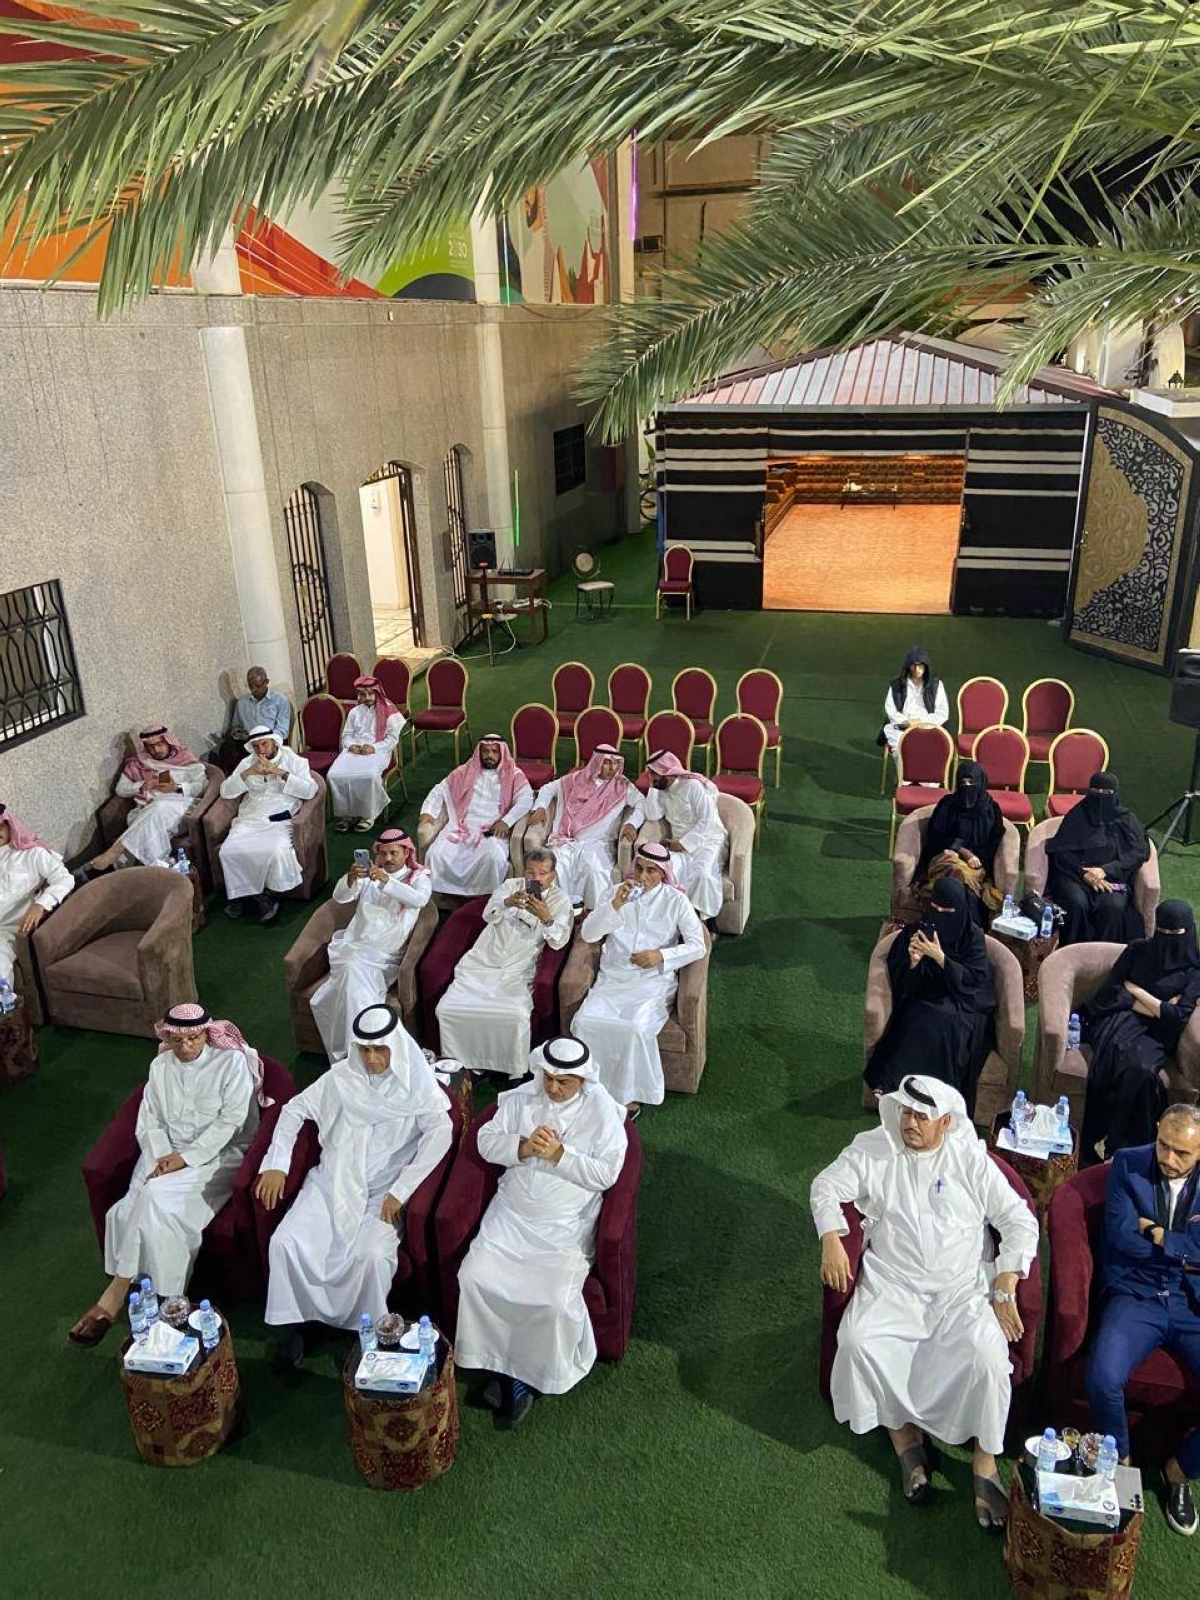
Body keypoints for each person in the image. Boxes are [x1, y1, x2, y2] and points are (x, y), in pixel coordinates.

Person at [812, 1074, 1038, 1531]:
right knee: (858, 1341)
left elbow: (1019, 1219)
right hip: (892, 1285)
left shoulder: (969, 1160)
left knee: (988, 1359)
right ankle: (904, 1438)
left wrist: (1005, 1281)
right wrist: (832, 1236)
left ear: (946, 1122)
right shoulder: (876, 1148)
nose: (909, 1123)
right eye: (906, 1112)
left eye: (921, 1116)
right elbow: (826, 1185)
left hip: (961, 1291)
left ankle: (984, 1464)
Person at [255, 1004, 452, 1368]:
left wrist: (401, 1190)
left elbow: (441, 1133)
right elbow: (294, 1110)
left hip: (382, 1193)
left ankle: (372, 1335)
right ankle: (295, 1327)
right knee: (286, 1243)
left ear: (396, 1047)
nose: (372, 1058)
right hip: (331, 1182)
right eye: (365, 1049)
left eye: (380, 1049)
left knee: (372, 1257)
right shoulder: (341, 1078)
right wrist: (277, 1164)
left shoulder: (417, 1085)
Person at [455, 1036, 628, 1425]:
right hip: (511, 1217)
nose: (552, 1087)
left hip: (564, 1226)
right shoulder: (521, 1100)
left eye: (563, 1081)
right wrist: (524, 1147)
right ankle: (498, 1365)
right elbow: (485, 1142)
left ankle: (524, 1379)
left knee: (551, 1301)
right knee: (475, 1277)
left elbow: (607, 1173)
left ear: (583, 1080)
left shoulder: (603, 1113)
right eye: (548, 1077)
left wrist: (560, 1155)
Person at [67, 1003, 263, 1346]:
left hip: (217, 1155)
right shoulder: (160, 1067)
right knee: (133, 1211)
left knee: (154, 1197)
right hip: (163, 1154)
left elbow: (230, 1123)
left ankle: (116, 1294)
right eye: (178, 1040)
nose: (186, 1047)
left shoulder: (230, 1063)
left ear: (207, 1034)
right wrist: (163, 1157)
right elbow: (150, 1120)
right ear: (167, 1038)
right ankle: (170, 1302)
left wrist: (185, 1158)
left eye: (194, 1038)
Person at [1084, 1105, 1200, 1536]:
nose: (1168, 1158)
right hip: (1136, 1294)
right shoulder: (1128, 1162)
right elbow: (1119, 1237)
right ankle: (1121, 1463)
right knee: (1102, 1377)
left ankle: (1179, 1471)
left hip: (1191, 1302)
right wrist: (1186, 1250)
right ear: (1156, 1131)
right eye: (1163, 1145)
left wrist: (1156, 1233)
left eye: (1181, 1153)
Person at [573, 842, 706, 1115]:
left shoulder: (676, 900)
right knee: (585, 1022)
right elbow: (588, 934)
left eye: (651, 871)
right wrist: (615, 905)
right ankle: (589, 1091)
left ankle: (626, 1098)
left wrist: (661, 956)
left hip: (651, 983)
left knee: (633, 1028)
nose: (643, 876)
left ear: (663, 873)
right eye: (640, 868)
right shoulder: (615, 893)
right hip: (612, 980)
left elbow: (698, 946)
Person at [864, 877, 996, 1117]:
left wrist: (940, 957)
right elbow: (903, 985)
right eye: (935, 909)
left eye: (947, 912)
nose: (940, 917)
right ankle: (897, 1087)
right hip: (925, 997)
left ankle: (937, 1098)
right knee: (917, 1017)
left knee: (943, 1022)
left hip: (964, 1003)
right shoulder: (916, 932)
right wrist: (914, 963)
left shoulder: (972, 937)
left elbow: (974, 982)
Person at [436, 847, 572, 1078]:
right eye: (531, 872)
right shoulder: (510, 886)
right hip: (483, 961)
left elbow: (559, 941)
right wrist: (508, 902)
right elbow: (488, 915)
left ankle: (512, 1070)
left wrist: (546, 917)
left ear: (553, 874)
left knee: (516, 1014)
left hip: (517, 967)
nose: (536, 879)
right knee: (448, 1009)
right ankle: (466, 1067)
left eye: (543, 873)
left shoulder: (560, 900)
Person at [1081, 902, 1200, 1162]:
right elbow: (1113, 993)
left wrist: (1136, 990)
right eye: (1163, 932)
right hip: (1118, 1020)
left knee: (1143, 1073)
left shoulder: (1194, 971)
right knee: (1122, 1058)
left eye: (1175, 934)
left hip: (1155, 1035)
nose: (1168, 939)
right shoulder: (1136, 950)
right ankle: (1107, 1146)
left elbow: (1177, 1017)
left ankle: (1122, 1147)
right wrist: (1161, 1006)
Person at [309, 828, 432, 1059]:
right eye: (383, 853)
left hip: (386, 953)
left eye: (394, 853)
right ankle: (363, 1047)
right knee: (353, 975)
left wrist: (387, 882)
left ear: (407, 852)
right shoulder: (369, 875)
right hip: (355, 945)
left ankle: (352, 1053)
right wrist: (351, 878)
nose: (388, 859)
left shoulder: (418, 878)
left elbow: (420, 900)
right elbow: (341, 897)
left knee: (351, 976)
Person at [218, 726, 319, 925]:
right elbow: (226, 791)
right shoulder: (247, 763)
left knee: (275, 851)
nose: (261, 750)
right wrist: (248, 773)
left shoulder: (295, 761)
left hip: (279, 815)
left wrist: (279, 772)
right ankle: (257, 898)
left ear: (274, 742)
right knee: (228, 851)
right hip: (251, 817)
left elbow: (310, 791)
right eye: (255, 746)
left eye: (264, 744)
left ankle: (263, 896)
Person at [525, 743, 643, 910]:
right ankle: (551, 912)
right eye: (607, 762)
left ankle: (594, 915)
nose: (612, 768)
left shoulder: (622, 786)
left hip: (597, 844)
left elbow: (642, 803)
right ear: (596, 762)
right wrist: (541, 807)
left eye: (615, 763)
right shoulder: (574, 779)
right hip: (565, 840)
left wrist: (632, 823)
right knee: (553, 867)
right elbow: (548, 788)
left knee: (595, 871)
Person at [420, 734, 533, 897]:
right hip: (462, 825)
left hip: (492, 827)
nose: (489, 755)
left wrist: (506, 822)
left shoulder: (514, 774)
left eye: (494, 751)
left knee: (493, 857)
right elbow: (439, 789)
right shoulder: (464, 771)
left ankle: (487, 898)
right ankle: (446, 896)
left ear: (502, 753)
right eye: (485, 751)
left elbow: (526, 799)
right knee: (435, 854)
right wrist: (428, 812)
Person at [1044, 771, 1149, 946]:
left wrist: (1105, 870)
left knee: (1112, 907)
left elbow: (1138, 852)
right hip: (1075, 876)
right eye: (1096, 791)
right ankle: (1071, 950)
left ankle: (1104, 955)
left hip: (1111, 878)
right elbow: (1061, 852)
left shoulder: (1126, 820)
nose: (1100, 797)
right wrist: (1084, 874)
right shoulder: (1077, 816)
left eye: (1106, 793)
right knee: (1076, 904)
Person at [85, 725, 208, 874]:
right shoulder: (139, 763)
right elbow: (121, 789)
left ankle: (115, 852)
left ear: (168, 741)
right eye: (151, 746)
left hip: (183, 807)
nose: (156, 749)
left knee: (159, 807)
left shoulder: (184, 758)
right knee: (152, 821)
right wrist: (143, 784)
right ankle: (160, 870)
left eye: (160, 744)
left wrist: (177, 787)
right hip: (148, 810)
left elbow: (202, 786)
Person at [913, 760, 1006, 927]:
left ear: (981, 782)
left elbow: (993, 845)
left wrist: (973, 858)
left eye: (971, 782)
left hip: (976, 865)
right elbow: (935, 838)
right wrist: (961, 851)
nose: (967, 787)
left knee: (961, 877)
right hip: (944, 858)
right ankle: (971, 926)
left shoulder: (992, 810)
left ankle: (950, 925)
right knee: (955, 872)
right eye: (963, 782)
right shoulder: (947, 805)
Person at [641, 749, 727, 922]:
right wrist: (652, 787)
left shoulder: (692, 786)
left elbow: (707, 820)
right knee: (665, 872)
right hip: (678, 845)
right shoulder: (661, 789)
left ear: (669, 773)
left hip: (708, 841)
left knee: (702, 875)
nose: (652, 778)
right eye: (650, 774)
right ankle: (674, 918)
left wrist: (683, 843)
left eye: (655, 774)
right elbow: (652, 814)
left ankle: (706, 921)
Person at [0, 804, 73, 986]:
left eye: (0, 827)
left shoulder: (32, 854)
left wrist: (41, 904)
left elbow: (64, 879)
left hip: (8, 927)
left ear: (9, 825)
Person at [327, 674, 406, 834]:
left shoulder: (388, 710)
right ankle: (348, 815)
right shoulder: (354, 712)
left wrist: (374, 748)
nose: (367, 697)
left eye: (370, 693)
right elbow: (346, 735)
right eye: (363, 694)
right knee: (334, 775)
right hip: (354, 750)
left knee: (369, 776)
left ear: (377, 693)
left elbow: (392, 739)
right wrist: (351, 746)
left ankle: (368, 815)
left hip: (378, 751)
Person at [880, 646, 950, 773]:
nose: (917, 669)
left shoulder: (935, 685)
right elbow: (891, 710)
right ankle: (904, 778)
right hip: (902, 727)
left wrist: (920, 721)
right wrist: (907, 722)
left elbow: (942, 713)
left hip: (928, 727)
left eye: (920, 665)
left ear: (926, 666)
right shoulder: (897, 684)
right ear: (909, 666)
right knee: (900, 747)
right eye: (914, 665)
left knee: (931, 750)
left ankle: (927, 779)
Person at [230, 666, 291, 744]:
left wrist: (263, 740)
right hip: (248, 743)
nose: (253, 690)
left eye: (258, 686)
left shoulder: (280, 700)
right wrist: (237, 732)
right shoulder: (242, 702)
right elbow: (236, 726)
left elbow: (282, 730)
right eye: (250, 686)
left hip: (271, 743)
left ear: (266, 682)